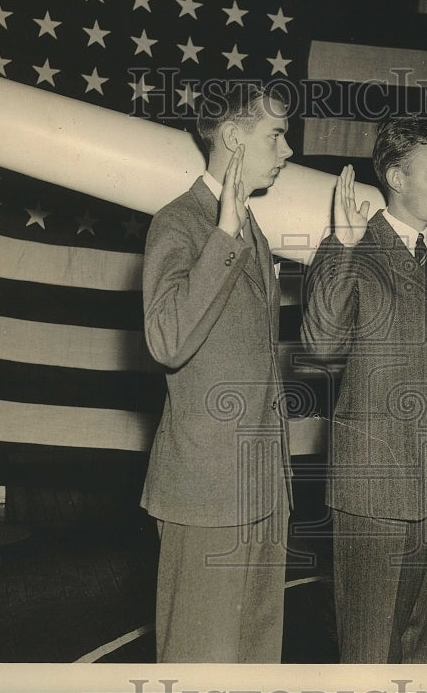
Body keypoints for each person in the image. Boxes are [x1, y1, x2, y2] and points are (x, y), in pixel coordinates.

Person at [300, 116, 427, 664]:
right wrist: (340, 245)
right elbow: (321, 345)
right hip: (377, 487)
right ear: (395, 175)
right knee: (370, 649)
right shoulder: (356, 251)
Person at [140, 84, 294, 662]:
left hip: (260, 490)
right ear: (233, 137)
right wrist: (224, 235)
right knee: (200, 662)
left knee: (255, 660)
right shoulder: (181, 224)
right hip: (206, 495)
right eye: (275, 135)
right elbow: (168, 340)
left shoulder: (251, 227)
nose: (287, 151)